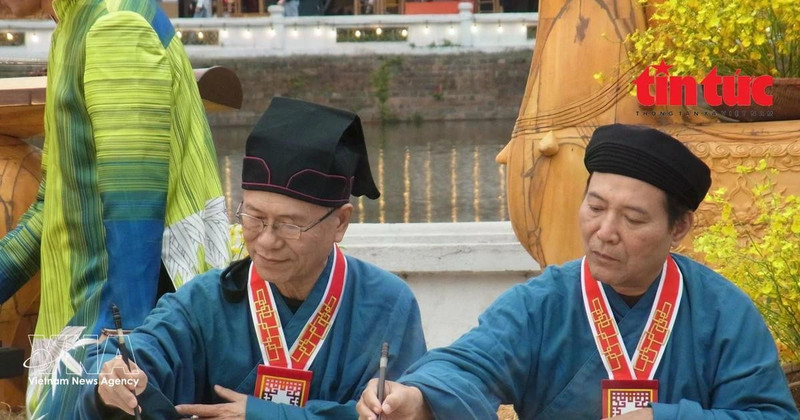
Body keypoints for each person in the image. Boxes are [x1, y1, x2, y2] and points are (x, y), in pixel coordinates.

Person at [357, 124, 799, 419]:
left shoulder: (723, 313)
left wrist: (666, 416)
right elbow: (471, 364)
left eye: (634, 219)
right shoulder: (543, 303)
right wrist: (416, 397)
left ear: (679, 227)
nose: (605, 232)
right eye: (596, 207)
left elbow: (771, 415)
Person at [75, 97, 428, 419]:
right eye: (255, 217)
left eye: (290, 225)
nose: (267, 241)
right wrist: (111, 375)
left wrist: (263, 415)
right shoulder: (207, 300)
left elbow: (399, 412)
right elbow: (144, 350)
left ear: (340, 223)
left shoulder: (387, 305)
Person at [0, 0, 229, 416]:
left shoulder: (115, 25)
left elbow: (135, 221)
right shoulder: (75, 24)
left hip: (126, 320)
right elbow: (54, 205)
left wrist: (121, 355)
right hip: (91, 312)